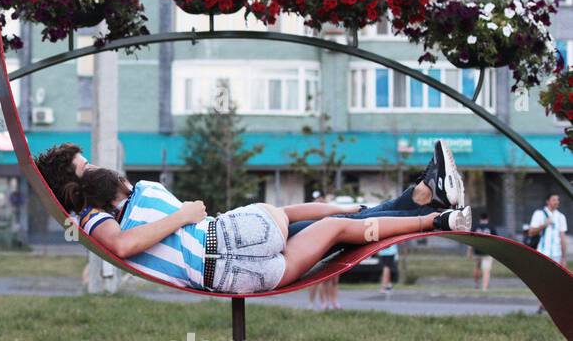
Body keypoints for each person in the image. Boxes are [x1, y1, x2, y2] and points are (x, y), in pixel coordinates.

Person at [35, 139, 470, 295]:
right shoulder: (95, 217)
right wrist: (185, 213)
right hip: (223, 244)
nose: (94, 167)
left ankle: (432, 210)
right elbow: (124, 245)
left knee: (338, 230)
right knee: (307, 219)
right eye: (85, 166)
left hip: (235, 274)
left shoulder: (114, 211)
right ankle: (425, 201)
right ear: (76, 187)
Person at [527, 193, 568, 264]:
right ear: (548, 201)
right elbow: (531, 233)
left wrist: (564, 257)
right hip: (542, 254)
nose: (557, 202)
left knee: (555, 275)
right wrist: (544, 225)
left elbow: (562, 238)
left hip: (557, 255)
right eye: (554, 200)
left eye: (558, 200)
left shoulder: (561, 216)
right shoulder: (538, 214)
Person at [471, 211, 495, 291]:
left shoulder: (475, 226)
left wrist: (470, 251)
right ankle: (484, 288)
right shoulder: (491, 227)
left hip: (477, 250)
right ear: (487, 218)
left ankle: (476, 285)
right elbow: (495, 240)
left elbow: (471, 239)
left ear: (480, 218)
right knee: (486, 270)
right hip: (487, 251)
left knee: (477, 268)